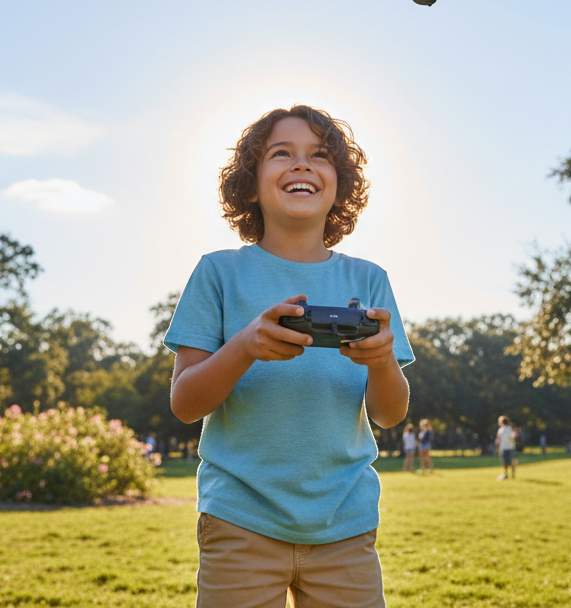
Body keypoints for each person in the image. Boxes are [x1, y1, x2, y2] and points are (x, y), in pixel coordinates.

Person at [165, 105, 414, 608]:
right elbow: (185, 404)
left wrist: (382, 360)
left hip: (346, 522)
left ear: (340, 186)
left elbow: (389, 414)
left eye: (319, 156)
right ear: (251, 186)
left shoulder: (368, 279)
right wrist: (245, 346)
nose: (302, 164)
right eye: (282, 154)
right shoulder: (218, 273)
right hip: (239, 519)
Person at [496, 416, 517, 480]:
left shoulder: (501, 430)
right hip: (511, 447)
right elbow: (513, 437)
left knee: (504, 462)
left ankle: (505, 474)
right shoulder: (510, 429)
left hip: (503, 448)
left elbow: (498, 440)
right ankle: (513, 474)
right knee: (511, 461)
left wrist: (497, 449)